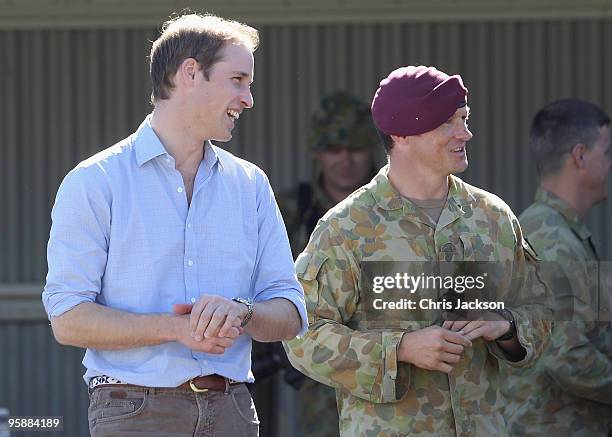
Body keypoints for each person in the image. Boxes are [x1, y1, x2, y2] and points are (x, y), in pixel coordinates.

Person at [41, 13, 307, 437]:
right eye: (238, 79)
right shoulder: (95, 182)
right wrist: (176, 330)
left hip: (234, 410)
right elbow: (68, 319)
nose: (249, 98)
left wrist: (243, 311)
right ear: (189, 73)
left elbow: (292, 313)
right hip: (135, 413)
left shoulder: (252, 185)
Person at [284, 65, 551, 436]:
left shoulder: (491, 218)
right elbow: (302, 335)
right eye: (449, 123)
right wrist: (400, 350)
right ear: (402, 134)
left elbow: (541, 309)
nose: (465, 133)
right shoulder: (347, 228)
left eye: (465, 119)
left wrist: (506, 326)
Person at [260, 92, 378, 437]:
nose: (345, 160)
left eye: (355, 148)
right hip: (311, 373)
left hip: (387, 364)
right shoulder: (292, 211)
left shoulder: (395, 206)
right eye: (333, 150)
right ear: (317, 152)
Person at [501, 99, 612, 436]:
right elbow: (565, 357)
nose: (610, 164)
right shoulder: (551, 241)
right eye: (607, 152)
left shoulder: (554, 232)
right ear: (580, 156)